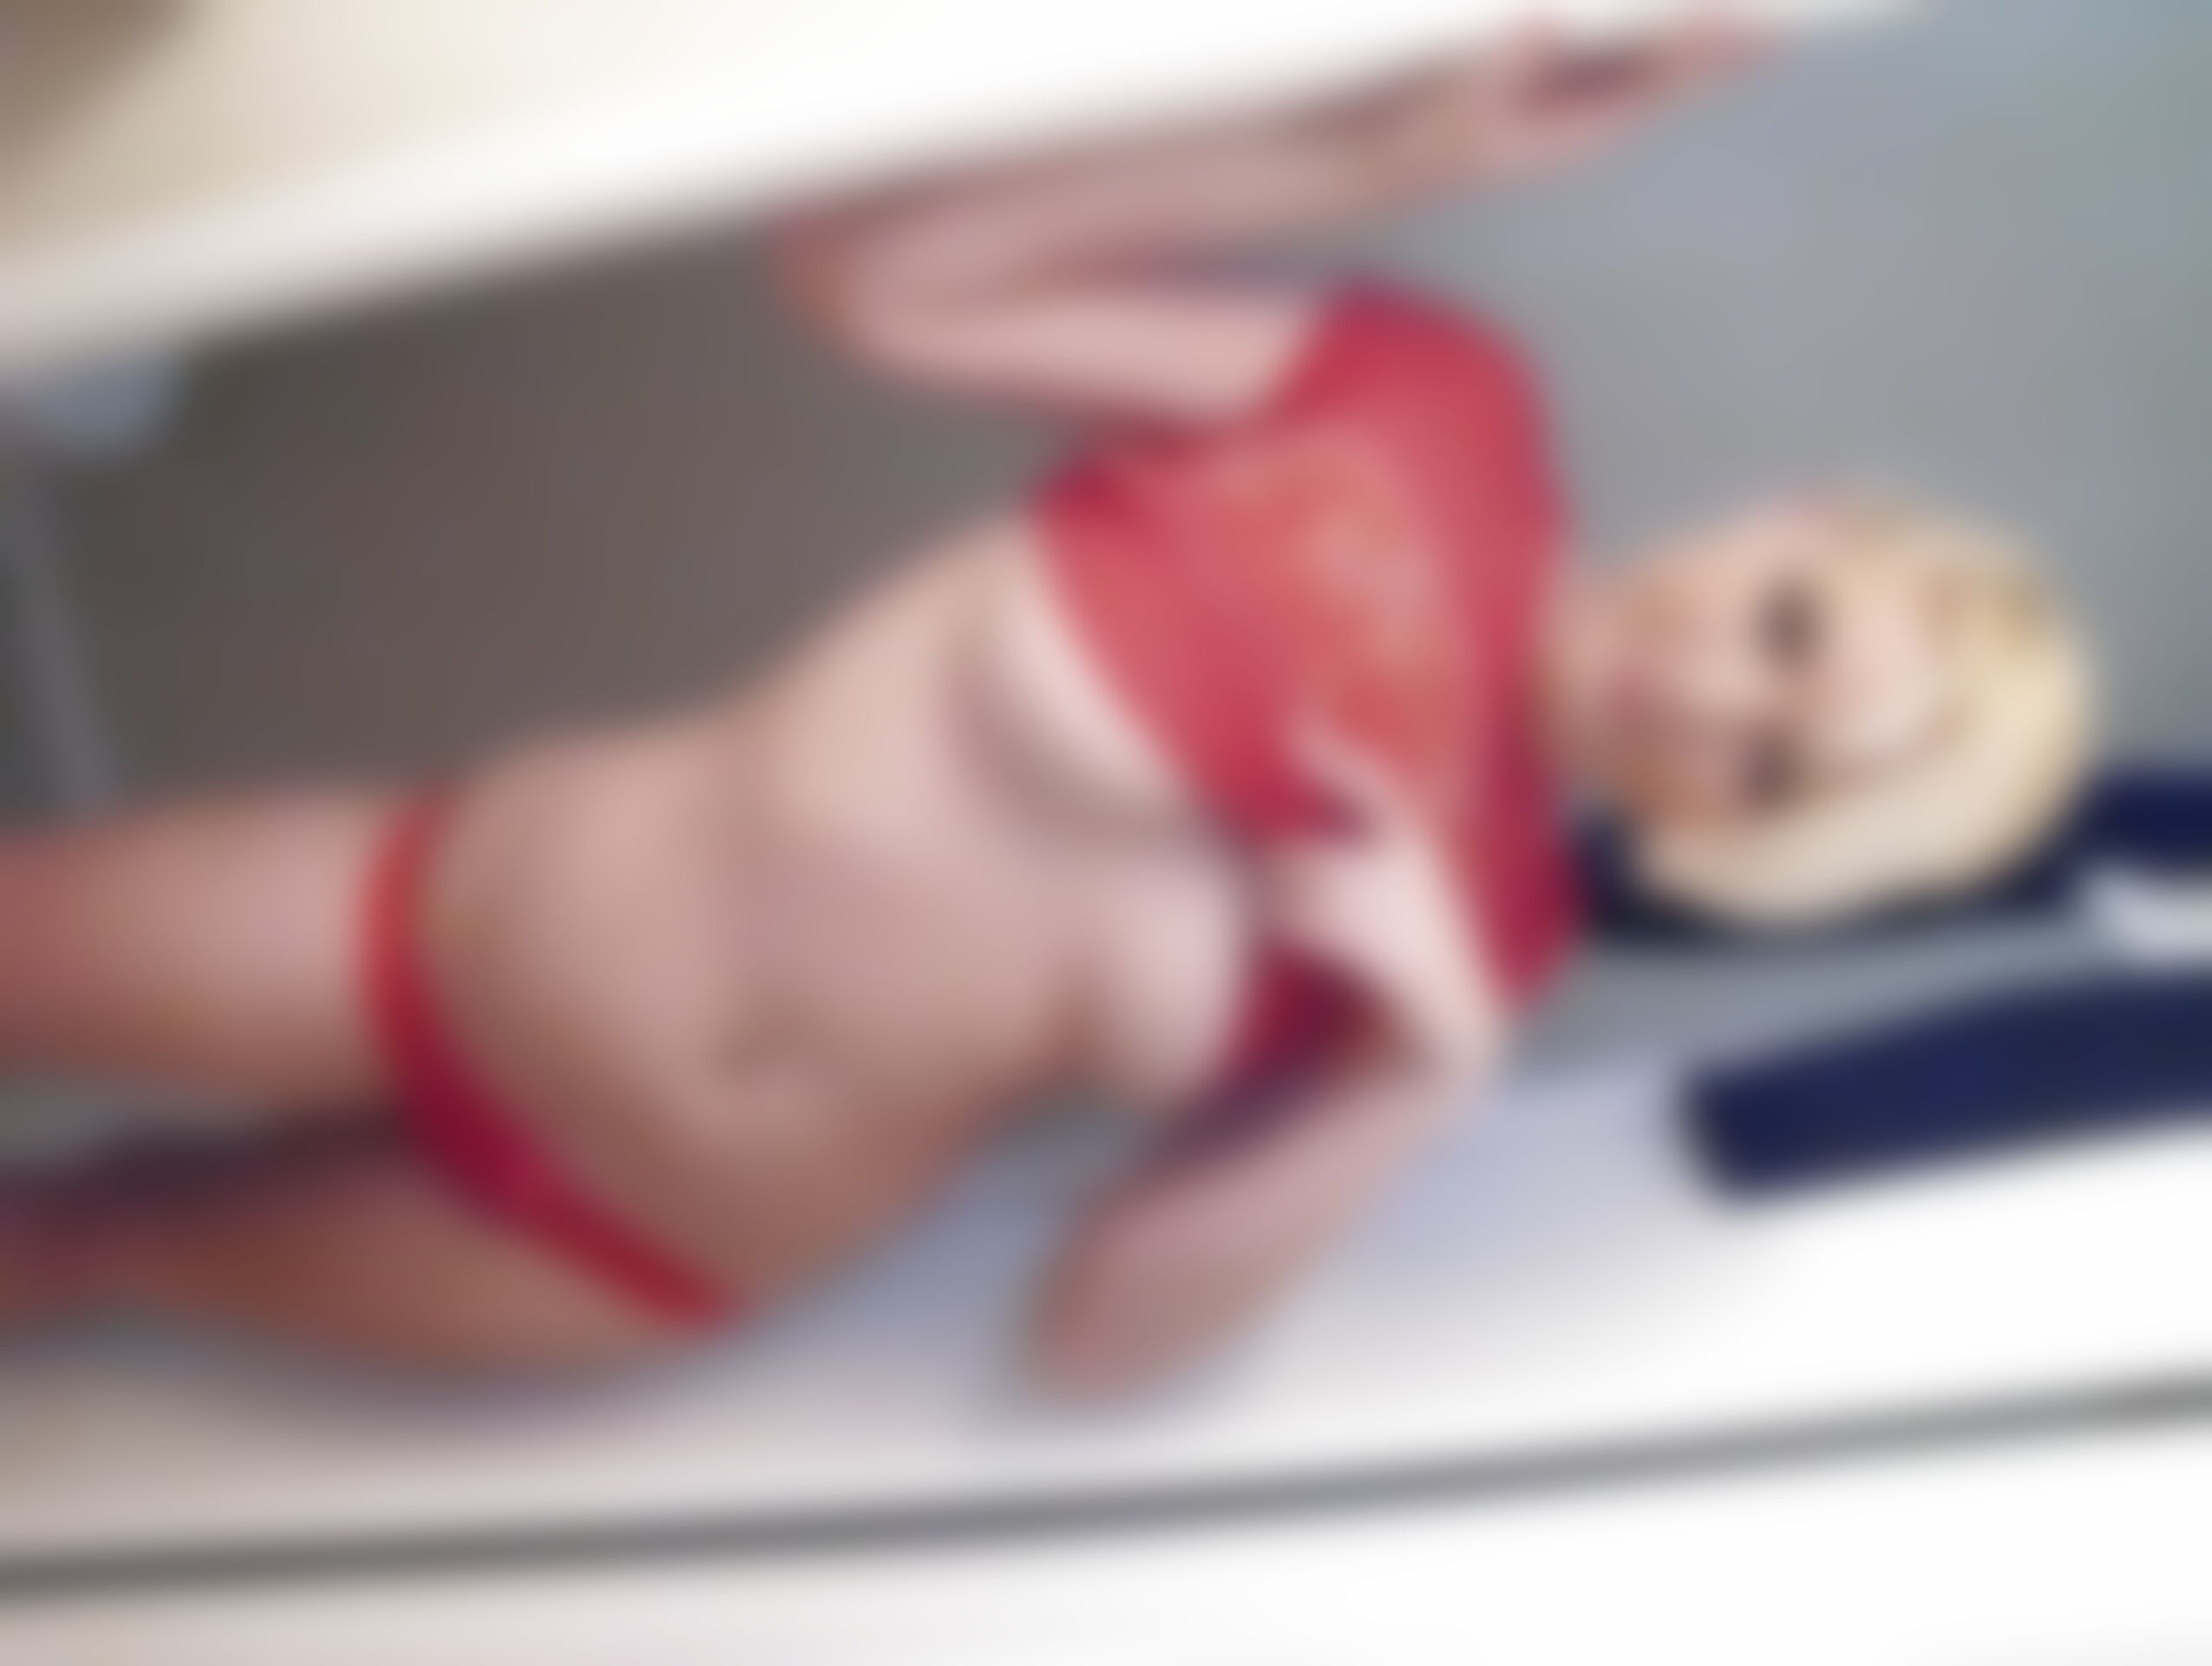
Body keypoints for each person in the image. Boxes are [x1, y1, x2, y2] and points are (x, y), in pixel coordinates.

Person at [0, 23, 2096, 1395]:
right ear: (1792, 518)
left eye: (1772, 772)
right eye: (1791, 628)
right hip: (460, 930)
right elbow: (873, 282)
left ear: (1736, 842)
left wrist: (1418, 1061)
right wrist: (1362, 150)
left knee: (74, 1248)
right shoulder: (1432, 410)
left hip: (648, 1250)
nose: (1711, 695)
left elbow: (1098, 1345)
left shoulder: (1491, 950)